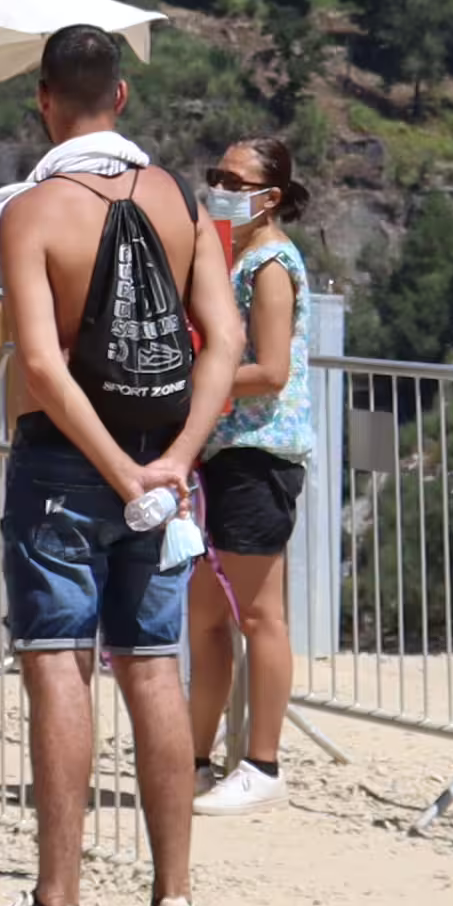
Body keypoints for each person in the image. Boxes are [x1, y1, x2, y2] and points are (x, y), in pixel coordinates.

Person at [0, 24, 237, 906]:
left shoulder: (33, 214)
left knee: (58, 664)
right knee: (153, 666)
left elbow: (42, 364)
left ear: (43, 99)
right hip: (163, 454)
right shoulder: (176, 200)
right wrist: (172, 462)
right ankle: (175, 902)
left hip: (65, 467)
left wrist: (113, 474)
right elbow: (225, 345)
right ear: (121, 97)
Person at [188, 135, 314, 812]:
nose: (219, 188)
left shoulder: (269, 263)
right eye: (215, 176)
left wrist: (197, 381)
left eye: (232, 179)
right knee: (205, 616)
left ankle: (261, 762)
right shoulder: (231, 256)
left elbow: (271, 370)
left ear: (269, 197)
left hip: (257, 451)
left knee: (260, 615)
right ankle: (193, 760)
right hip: (223, 451)